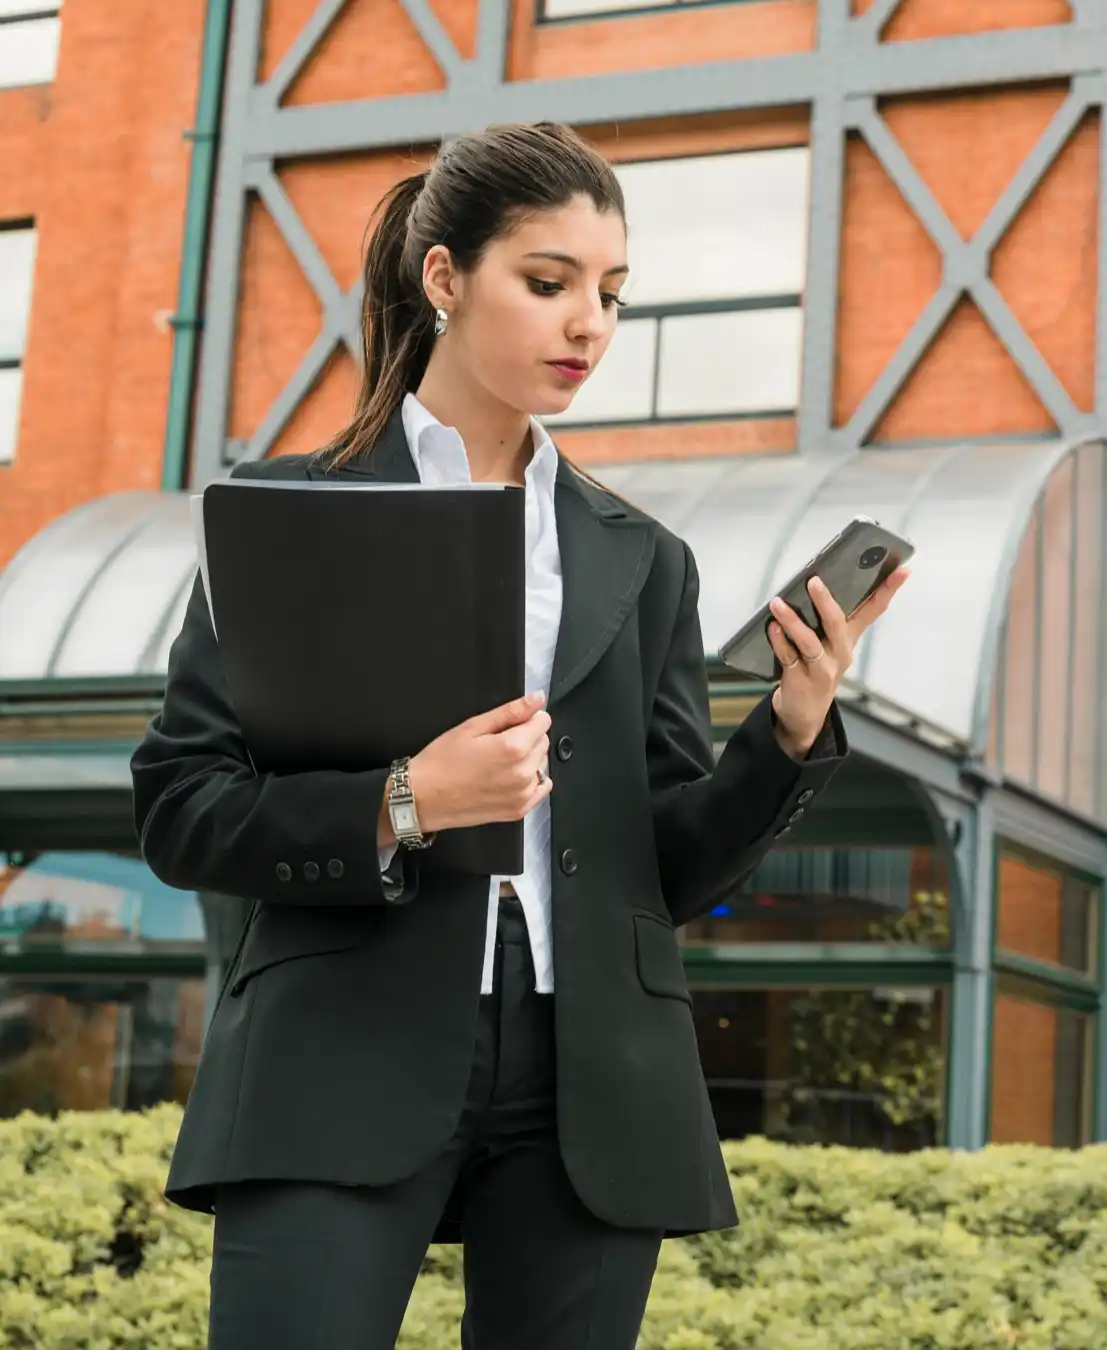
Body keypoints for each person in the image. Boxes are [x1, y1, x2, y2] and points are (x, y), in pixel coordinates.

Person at [128, 121, 909, 1350]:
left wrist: (791, 730)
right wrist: (407, 799)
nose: (587, 324)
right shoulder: (290, 512)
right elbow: (183, 805)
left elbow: (671, 860)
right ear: (443, 278)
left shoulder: (640, 556)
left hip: (593, 1075)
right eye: (547, 285)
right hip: (337, 1049)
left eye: (610, 294)